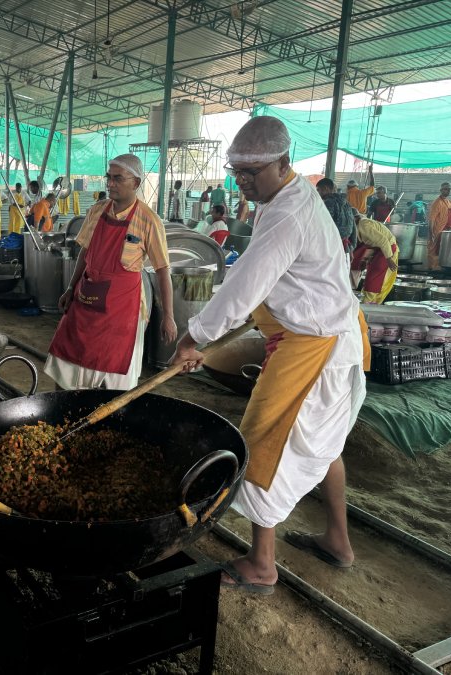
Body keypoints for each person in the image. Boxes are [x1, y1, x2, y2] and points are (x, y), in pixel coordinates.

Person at [170, 117, 368, 595]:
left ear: (284, 163)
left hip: (314, 349)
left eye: (252, 173)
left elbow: (247, 283)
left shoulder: (287, 213)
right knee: (328, 444)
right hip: (332, 336)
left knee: (260, 443)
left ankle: (262, 564)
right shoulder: (285, 198)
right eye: (236, 172)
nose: (243, 182)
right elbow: (268, 281)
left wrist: (194, 336)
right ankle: (338, 541)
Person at [45, 154, 177, 391]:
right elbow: (84, 255)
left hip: (122, 309)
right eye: (109, 177)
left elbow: (162, 270)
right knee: (67, 362)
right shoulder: (96, 211)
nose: (111, 183)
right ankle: (64, 410)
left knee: (114, 375)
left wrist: (168, 316)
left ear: (136, 183)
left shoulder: (149, 220)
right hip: (86, 299)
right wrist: (70, 288)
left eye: (118, 178)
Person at [351, 211, 398, 304]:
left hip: (387, 249)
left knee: (375, 279)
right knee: (371, 278)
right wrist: (366, 259)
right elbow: (372, 243)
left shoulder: (364, 225)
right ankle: (367, 302)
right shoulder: (359, 226)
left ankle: (369, 304)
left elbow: (383, 241)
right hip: (379, 250)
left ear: (354, 218)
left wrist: (389, 259)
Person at [316, 178, 356, 254]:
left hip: (332, 246)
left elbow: (322, 225)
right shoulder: (346, 203)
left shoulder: (328, 203)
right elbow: (353, 226)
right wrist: (353, 245)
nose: (317, 192)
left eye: (318, 190)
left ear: (325, 189)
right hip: (346, 246)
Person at [428, 182, 451, 271]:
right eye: (446, 189)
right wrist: (431, 233)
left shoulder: (450, 202)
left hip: (447, 231)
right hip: (437, 231)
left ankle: (441, 268)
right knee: (434, 251)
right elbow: (431, 219)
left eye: (449, 189)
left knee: (443, 251)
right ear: (441, 190)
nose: (448, 191)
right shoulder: (437, 203)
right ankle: (433, 269)